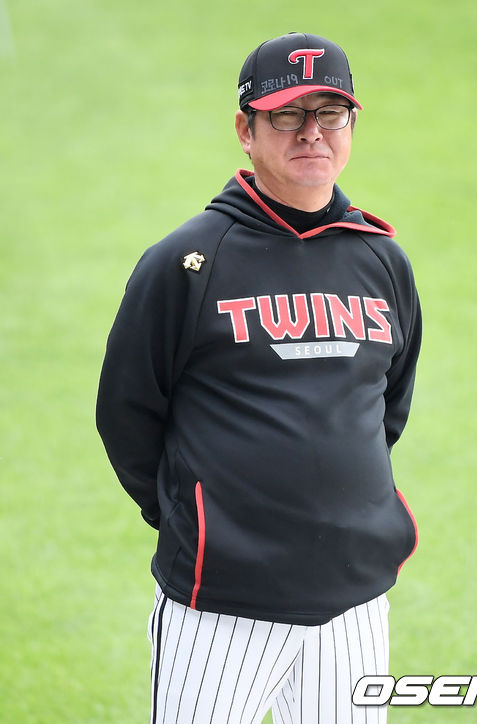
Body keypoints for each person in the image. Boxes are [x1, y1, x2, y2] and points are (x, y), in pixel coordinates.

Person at [96, 31, 422, 724]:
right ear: (246, 130)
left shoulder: (383, 262)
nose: (312, 133)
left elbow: (387, 406)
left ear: (352, 125)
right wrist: (191, 517)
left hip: (355, 600)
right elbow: (126, 415)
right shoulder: (187, 261)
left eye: (329, 113)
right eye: (287, 115)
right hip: (221, 605)